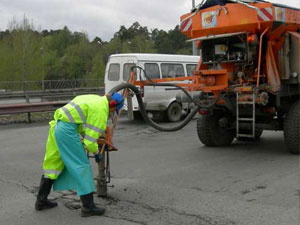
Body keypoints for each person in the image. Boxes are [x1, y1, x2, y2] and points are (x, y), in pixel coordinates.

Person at [35, 93, 124, 217]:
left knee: (53, 164)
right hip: (67, 131)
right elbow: (90, 141)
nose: (112, 113)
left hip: (57, 127)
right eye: (114, 110)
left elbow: (80, 122)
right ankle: (88, 207)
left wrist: (86, 134)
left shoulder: (93, 99)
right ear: (113, 105)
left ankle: (41, 200)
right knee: (81, 166)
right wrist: (97, 153)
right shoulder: (101, 110)